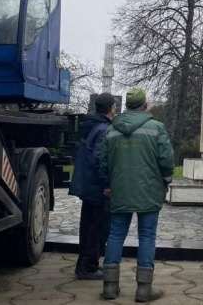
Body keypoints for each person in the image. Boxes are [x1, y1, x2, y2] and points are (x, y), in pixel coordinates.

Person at [98, 88, 174, 302]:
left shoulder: (112, 130)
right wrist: (166, 179)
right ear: (145, 105)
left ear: (126, 106)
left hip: (119, 189)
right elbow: (166, 160)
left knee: (115, 235)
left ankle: (110, 287)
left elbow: (103, 161)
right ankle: (143, 289)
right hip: (149, 190)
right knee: (147, 236)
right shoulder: (156, 128)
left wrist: (107, 183)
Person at [68, 92, 116, 279]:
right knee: (98, 227)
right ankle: (89, 266)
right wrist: (106, 183)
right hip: (98, 188)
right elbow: (99, 159)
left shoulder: (91, 125)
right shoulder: (104, 129)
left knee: (87, 226)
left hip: (88, 185)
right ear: (112, 108)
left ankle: (84, 264)